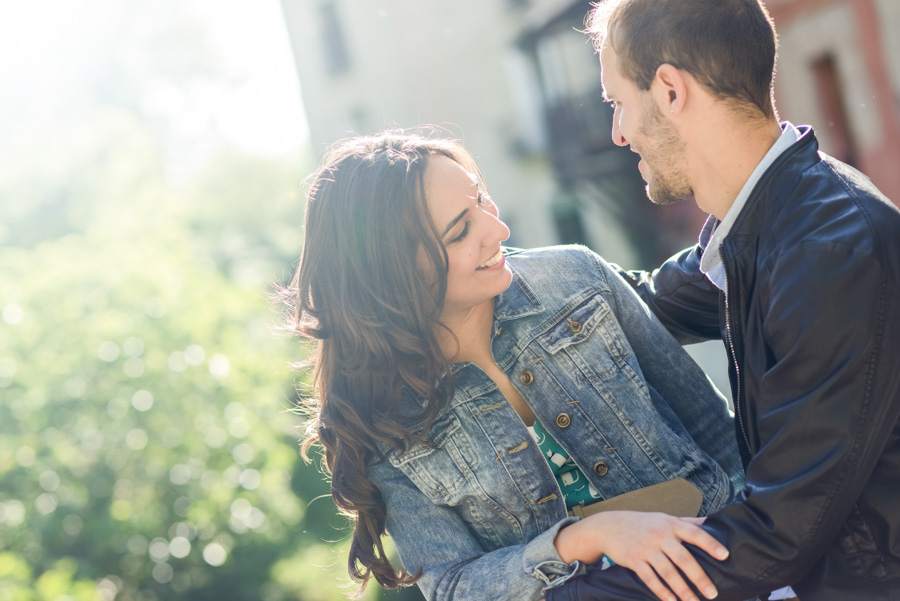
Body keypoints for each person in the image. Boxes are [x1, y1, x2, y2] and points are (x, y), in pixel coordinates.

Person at [283, 130, 745, 601]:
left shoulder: (576, 277)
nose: (498, 231)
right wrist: (587, 537)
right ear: (392, 278)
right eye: (460, 231)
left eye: (482, 199)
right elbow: (453, 585)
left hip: (729, 571)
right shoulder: (381, 421)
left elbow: (716, 434)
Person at [545, 1, 900, 600]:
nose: (618, 132)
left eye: (617, 104)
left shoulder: (829, 251)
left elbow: (776, 534)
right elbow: (632, 306)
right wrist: (482, 273)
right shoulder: (766, 226)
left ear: (669, 90)